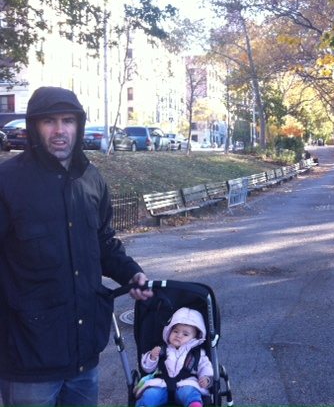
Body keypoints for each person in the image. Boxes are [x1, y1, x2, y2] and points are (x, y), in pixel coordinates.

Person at [0, 86, 153, 407]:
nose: (59, 130)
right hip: (27, 357)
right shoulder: (8, 181)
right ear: (34, 126)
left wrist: (131, 274)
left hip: (84, 355)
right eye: (49, 121)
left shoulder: (92, 179)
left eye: (67, 120)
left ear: (78, 125)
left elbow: (104, 244)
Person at [135, 307, 214, 407]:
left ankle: (194, 405)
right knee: (150, 394)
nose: (179, 336)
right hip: (161, 384)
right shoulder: (161, 349)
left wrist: (206, 378)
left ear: (194, 338)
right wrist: (152, 357)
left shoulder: (197, 354)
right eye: (176, 331)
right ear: (169, 331)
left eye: (185, 334)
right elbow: (148, 369)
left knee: (190, 393)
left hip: (186, 383)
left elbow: (205, 366)